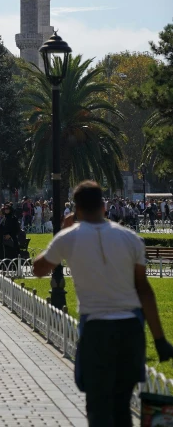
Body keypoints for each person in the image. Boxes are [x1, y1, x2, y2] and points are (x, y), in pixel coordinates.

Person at [33, 180, 173, 427]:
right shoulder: (131, 239)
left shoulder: (70, 237)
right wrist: (160, 340)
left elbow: (39, 269)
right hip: (130, 329)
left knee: (97, 405)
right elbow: (145, 290)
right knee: (122, 407)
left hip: (96, 330)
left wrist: (61, 233)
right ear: (104, 206)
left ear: (76, 208)